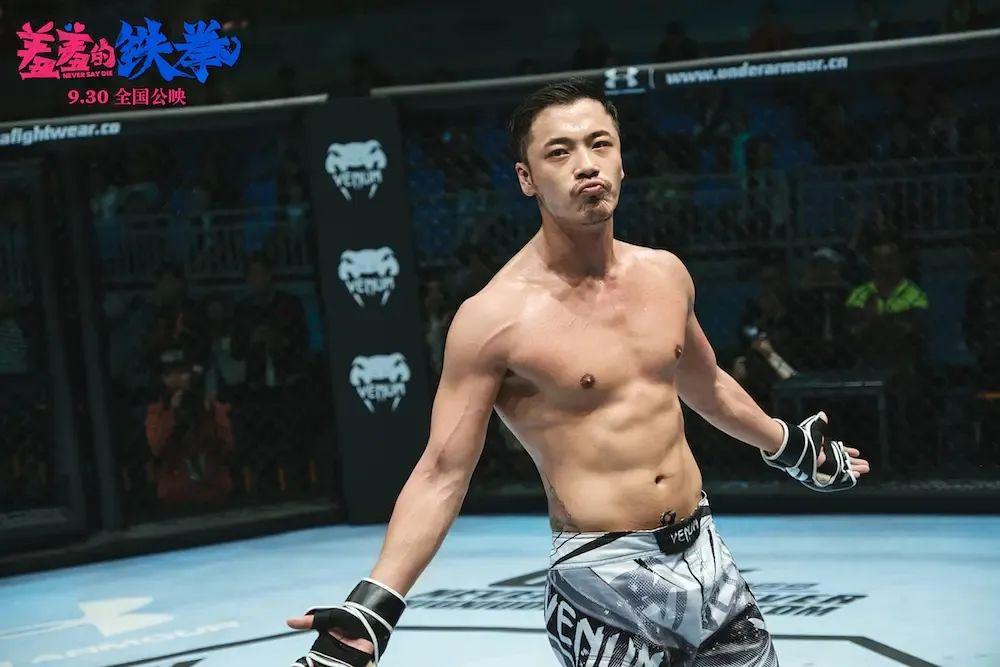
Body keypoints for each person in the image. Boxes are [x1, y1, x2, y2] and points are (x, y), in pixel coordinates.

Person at [287, 79, 869, 667]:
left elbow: (707, 384)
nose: (586, 164)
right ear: (526, 179)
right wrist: (375, 604)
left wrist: (790, 446)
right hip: (601, 579)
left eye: (600, 144)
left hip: (707, 556)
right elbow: (442, 471)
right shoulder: (494, 318)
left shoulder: (665, 275)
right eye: (559, 152)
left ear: (621, 160)